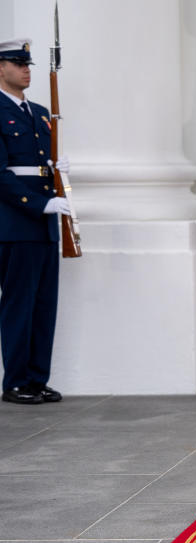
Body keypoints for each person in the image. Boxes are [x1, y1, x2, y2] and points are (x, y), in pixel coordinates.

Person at [0, 39, 69, 405]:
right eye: (17, 63)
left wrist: (62, 177)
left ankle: (37, 378)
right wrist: (39, 204)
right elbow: (1, 175)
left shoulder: (41, 112)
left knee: (44, 305)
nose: (26, 69)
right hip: (17, 222)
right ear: (1, 68)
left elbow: (47, 165)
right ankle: (15, 381)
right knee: (19, 305)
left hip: (45, 224)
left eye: (28, 64)